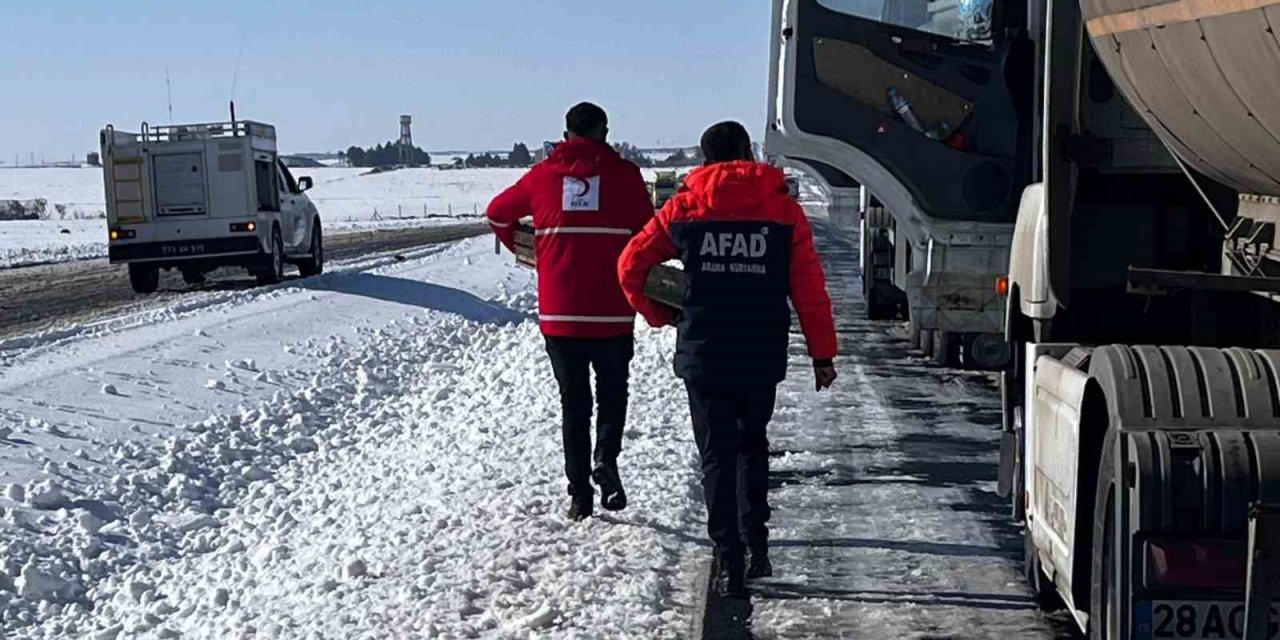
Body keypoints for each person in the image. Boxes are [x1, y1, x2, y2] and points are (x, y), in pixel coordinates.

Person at [617, 121, 837, 596]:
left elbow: (630, 266)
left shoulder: (684, 207)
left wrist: (658, 313)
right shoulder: (784, 212)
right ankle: (758, 544)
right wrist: (823, 354)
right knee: (752, 445)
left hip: (704, 351)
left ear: (704, 159)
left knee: (716, 455)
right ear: (747, 152)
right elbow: (809, 289)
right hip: (760, 351)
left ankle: (727, 560)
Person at [488, 102, 655, 521]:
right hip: (614, 311)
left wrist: (529, 250)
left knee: (574, 402)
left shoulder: (542, 176)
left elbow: (496, 213)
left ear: (565, 134)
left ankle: (579, 492)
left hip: (560, 313)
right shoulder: (626, 176)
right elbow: (648, 233)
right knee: (614, 393)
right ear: (603, 132)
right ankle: (606, 461)